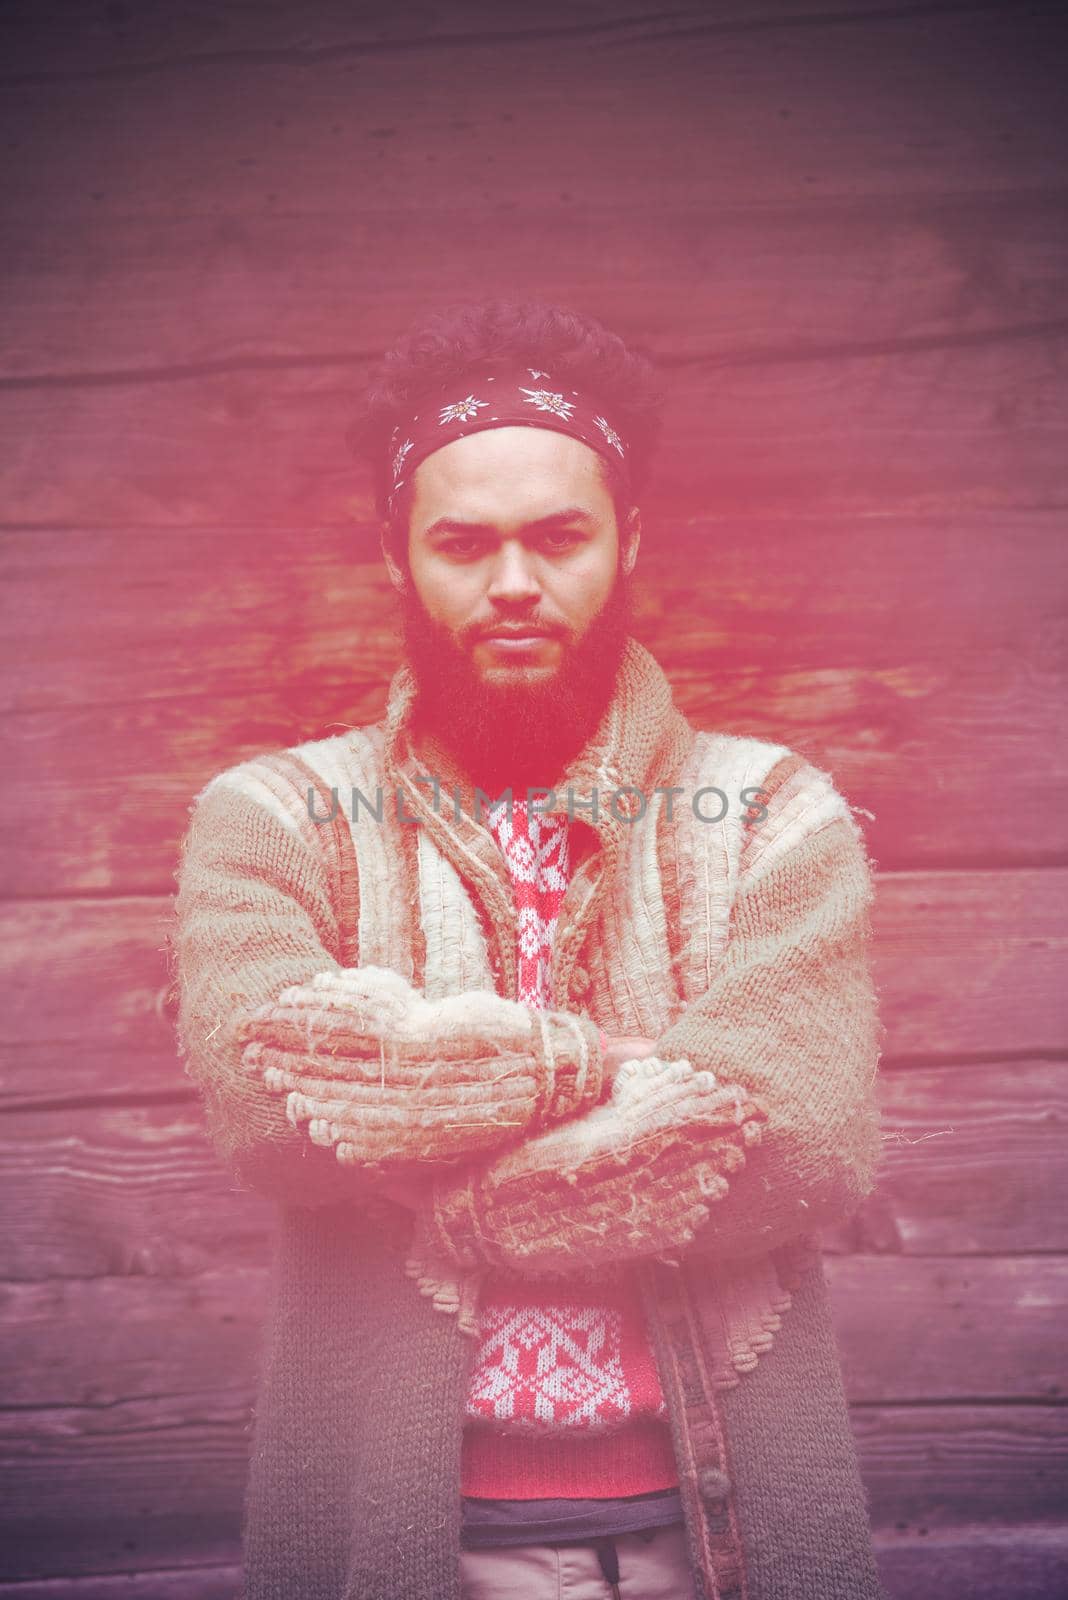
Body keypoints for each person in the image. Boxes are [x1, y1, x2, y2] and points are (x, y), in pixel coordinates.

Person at [171, 297, 889, 1600]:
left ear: (628, 544)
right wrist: (634, 1079)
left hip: (724, 1532)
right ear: (397, 559)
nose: (513, 582)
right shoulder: (270, 818)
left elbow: (800, 1142)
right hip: (404, 1534)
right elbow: (271, 1109)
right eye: (464, 543)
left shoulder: (777, 813)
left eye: (559, 536)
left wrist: (430, 1098)